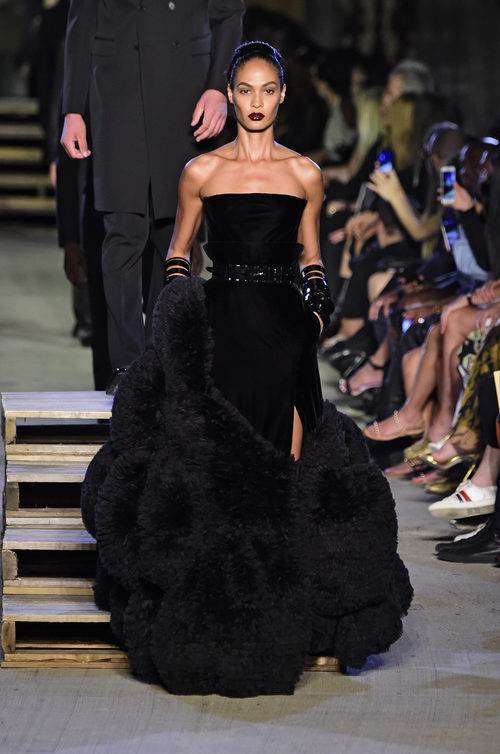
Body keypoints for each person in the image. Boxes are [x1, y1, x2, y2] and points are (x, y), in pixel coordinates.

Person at [81, 42, 413, 698]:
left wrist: (314, 316)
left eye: (267, 90)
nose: (256, 102)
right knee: (216, 465)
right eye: (245, 89)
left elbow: (312, 259)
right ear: (229, 95)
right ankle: (218, 608)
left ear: (282, 95)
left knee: (285, 467)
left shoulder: (305, 173)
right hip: (220, 327)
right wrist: (180, 316)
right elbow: (179, 255)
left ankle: (279, 610)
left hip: (284, 332)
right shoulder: (201, 170)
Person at [60, 0, 245, 382]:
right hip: (116, 90)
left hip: (186, 90)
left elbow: (229, 11)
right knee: (123, 233)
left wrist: (218, 87)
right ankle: (127, 371)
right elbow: (81, 21)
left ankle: (161, 367)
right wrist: (73, 109)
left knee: (174, 233)